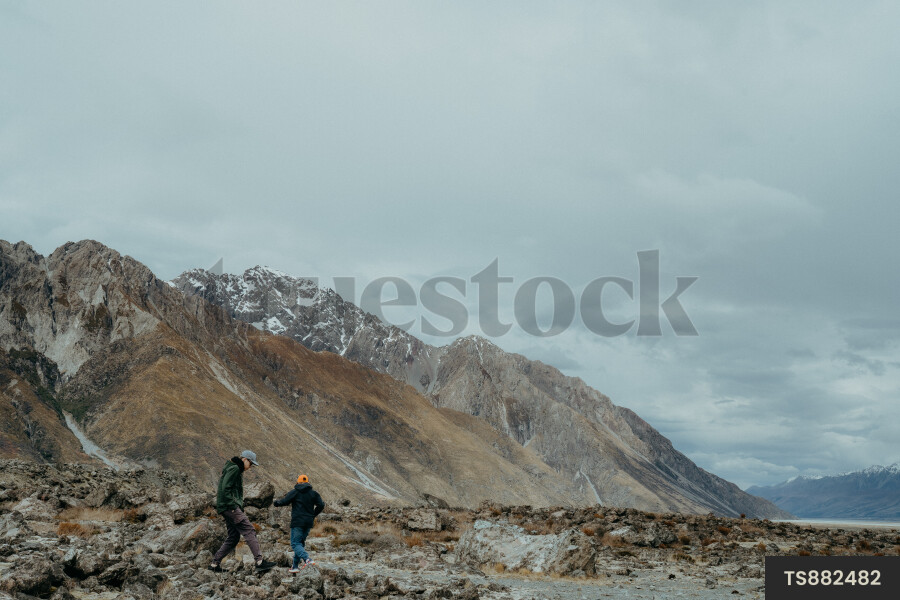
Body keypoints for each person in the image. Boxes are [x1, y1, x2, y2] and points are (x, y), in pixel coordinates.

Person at [209, 450, 276, 573]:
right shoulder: (235, 468)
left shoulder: (234, 468)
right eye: (251, 464)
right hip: (230, 507)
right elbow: (224, 488)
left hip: (226, 507)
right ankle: (259, 561)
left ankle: (214, 564)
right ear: (245, 459)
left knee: (234, 537)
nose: (250, 467)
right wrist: (233, 505)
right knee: (249, 530)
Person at [274, 474, 325, 572]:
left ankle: (307, 559)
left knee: (295, 544)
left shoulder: (295, 492)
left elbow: (285, 501)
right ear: (308, 482)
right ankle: (295, 566)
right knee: (300, 543)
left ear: (297, 482)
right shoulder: (314, 493)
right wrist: (313, 515)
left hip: (297, 521)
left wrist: (276, 503)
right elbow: (321, 505)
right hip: (308, 522)